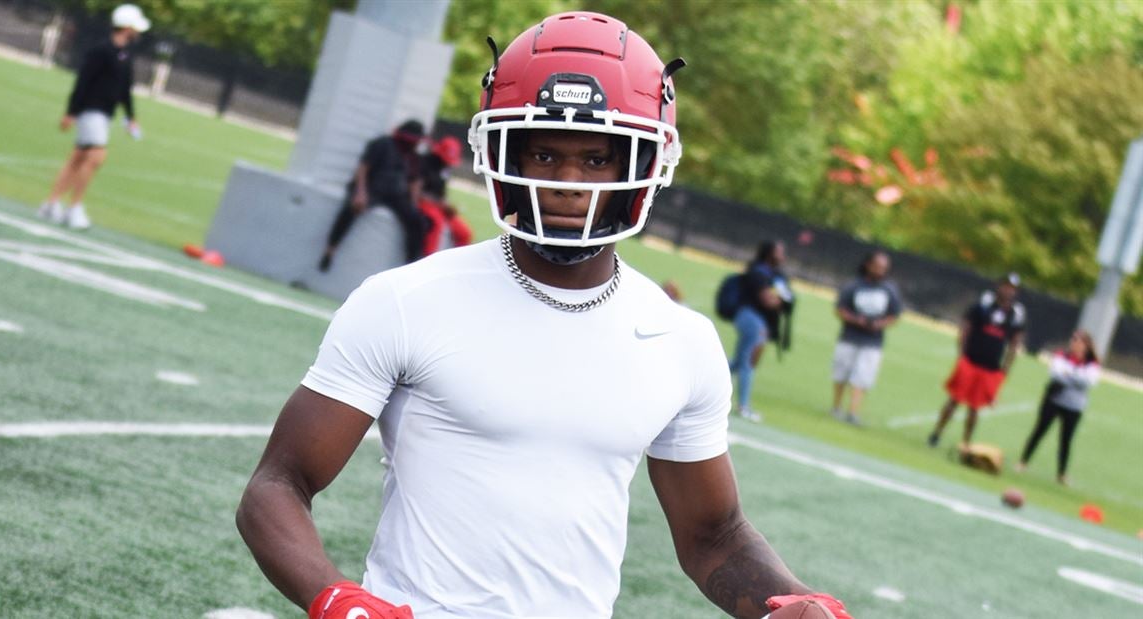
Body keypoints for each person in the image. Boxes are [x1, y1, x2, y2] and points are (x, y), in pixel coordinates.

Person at [237, 12, 851, 619]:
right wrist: (335, 596)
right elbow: (279, 485)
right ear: (502, 153)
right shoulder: (406, 299)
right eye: (544, 154)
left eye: (596, 159)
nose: (568, 183)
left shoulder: (680, 338)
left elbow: (713, 536)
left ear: (643, 168)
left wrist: (791, 603)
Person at [38, 4, 149, 230]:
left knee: (78, 158)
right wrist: (71, 111)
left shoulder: (125, 54)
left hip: (105, 113)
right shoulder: (101, 50)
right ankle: (74, 207)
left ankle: (51, 203)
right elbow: (83, 82)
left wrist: (131, 116)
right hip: (91, 110)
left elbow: (125, 89)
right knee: (96, 156)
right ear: (126, 27)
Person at [928, 273, 1027, 448]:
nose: (1008, 291)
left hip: (990, 366)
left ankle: (966, 441)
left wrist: (1006, 368)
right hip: (971, 360)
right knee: (954, 399)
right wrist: (962, 353)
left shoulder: (1015, 314)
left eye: (1012, 288)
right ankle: (937, 432)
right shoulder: (984, 304)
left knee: (975, 407)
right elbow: (966, 327)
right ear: (999, 285)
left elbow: (1014, 343)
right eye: (1006, 286)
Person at [319, 120, 426, 270]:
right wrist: (360, 192)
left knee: (417, 221)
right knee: (351, 209)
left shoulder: (413, 156)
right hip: (373, 188)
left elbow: (414, 181)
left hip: (396, 195)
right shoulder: (382, 144)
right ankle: (330, 250)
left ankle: (411, 265)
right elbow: (363, 167)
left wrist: (413, 205)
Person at [1015, 330, 1100, 485]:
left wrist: (1069, 375)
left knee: (1066, 440)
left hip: (1074, 406)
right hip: (1054, 400)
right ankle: (1023, 461)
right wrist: (1074, 377)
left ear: (1086, 345)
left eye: (1078, 341)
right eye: (1073, 339)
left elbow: (1087, 382)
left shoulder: (1091, 364)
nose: (1074, 343)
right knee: (1039, 430)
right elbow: (1056, 374)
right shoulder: (1062, 355)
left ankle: (1061, 474)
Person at [830, 251, 902, 426]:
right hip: (849, 337)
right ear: (868, 265)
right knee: (842, 372)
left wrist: (879, 324)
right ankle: (836, 406)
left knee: (862, 376)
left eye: (883, 268)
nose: (880, 271)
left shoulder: (889, 290)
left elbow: (894, 315)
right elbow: (840, 308)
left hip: (872, 341)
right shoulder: (854, 286)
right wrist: (856, 320)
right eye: (877, 266)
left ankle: (853, 412)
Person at [727, 240, 795, 422]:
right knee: (748, 362)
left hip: (760, 323)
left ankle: (702, 375)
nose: (782, 256)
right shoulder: (758, 273)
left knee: (740, 363)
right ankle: (743, 406)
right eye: (779, 252)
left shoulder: (778, 276)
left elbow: (784, 299)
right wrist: (781, 300)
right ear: (768, 253)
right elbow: (769, 301)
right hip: (751, 320)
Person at [417, 136, 472, 256]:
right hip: (423, 204)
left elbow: (441, 194)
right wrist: (440, 204)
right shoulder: (424, 163)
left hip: (438, 205)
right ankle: (427, 261)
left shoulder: (444, 169)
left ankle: (459, 261)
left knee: (464, 232)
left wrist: (447, 205)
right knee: (437, 223)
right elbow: (417, 193)